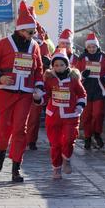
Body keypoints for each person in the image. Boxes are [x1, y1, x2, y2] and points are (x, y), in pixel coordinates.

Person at [0, 0, 44, 182]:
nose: (33, 35)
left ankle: (16, 168)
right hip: (5, 91)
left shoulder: (35, 47)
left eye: (33, 32)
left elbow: (39, 70)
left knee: (20, 129)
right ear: (20, 29)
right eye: (30, 31)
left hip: (25, 93)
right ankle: (2, 151)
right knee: (3, 127)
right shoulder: (3, 44)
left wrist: (38, 88)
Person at [33, 49, 86, 179]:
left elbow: (82, 94)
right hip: (53, 116)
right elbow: (45, 97)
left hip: (71, 115)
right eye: (56, 65)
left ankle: (66, 158)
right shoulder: (50, 79)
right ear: (53, 66)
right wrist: (38, 97)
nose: (59, 67)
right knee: (55, 144)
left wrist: (80, 106)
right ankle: (56, 168)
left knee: (69, 139)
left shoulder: (74, 79)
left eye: (61, 65)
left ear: (67, 65)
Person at [74, 32, 105, 149]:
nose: (92, 49)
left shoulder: (104, 57)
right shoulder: (82, 58)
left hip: (100, 89)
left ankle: (97, 134)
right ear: (86, 47)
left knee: (98, 114)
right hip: (86, 90)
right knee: (87, 116)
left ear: (97, 46)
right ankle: (88, 138)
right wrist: (83, 75)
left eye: (93, 46)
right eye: (89, 47)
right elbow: (75, 73)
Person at [26, 23, 52, 150]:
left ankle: (31, 141)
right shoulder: (22, 44)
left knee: (35, 116)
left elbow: (50, 65)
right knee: (25, 115)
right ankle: (22, 139)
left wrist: (47, 62)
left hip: (40, 85)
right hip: (24, 83)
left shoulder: (44, 45)